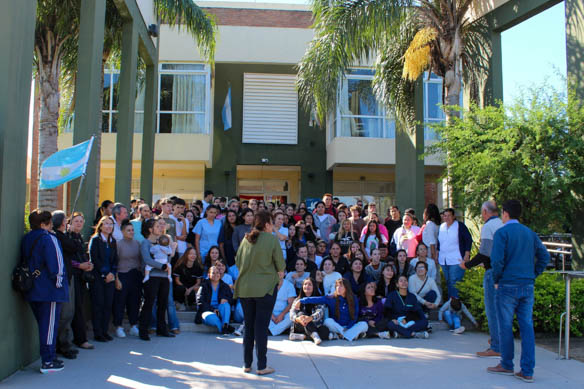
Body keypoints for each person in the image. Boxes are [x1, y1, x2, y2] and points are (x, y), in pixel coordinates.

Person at [487, 200, 550, 382]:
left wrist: (497, 279)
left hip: (507, 285)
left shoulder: (502, 233)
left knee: (505, 326)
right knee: (527, 327)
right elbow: (544, 256)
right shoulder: (530, 233)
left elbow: (497, 261)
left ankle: (507, 364)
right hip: (527, 285)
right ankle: (527, 370)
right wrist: (533, 274)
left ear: (505, 213)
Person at [234, 211, 285, 375]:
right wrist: (279, 277)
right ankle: (262, 366)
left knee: (248, 326)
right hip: (265, 289)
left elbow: (237, 261)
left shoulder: (245, 239)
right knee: (261, 328)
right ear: (267, 224)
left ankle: (246, 364)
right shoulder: (271, 239)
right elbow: (280, 264)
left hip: (245, 288)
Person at [22, 209, 69, 373]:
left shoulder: (27, 238)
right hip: (49, 290)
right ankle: (48, 361)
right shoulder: (49, 238)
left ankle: (49, 357)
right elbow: (57, 265)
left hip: (32, 288)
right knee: (49, 327)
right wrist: (59, 283)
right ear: (44, 224)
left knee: (44, 325)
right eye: (49, 223)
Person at [461, 200, 504, 358]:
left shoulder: (488, 226)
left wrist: (467, 265)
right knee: (501, 310)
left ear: (485, 212)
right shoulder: (503, 224)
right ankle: (500, 340)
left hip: (492, 272)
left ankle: (496, 346)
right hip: (504, 272)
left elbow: (484, 253)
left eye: (481, 212)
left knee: (492, 309)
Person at [139, 218, 177, 341]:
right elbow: (147, 259)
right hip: (152, 277)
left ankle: (162, 329)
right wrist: (162, 266)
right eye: (157, 226)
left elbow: (167, 259)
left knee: (163, 303)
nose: (161, 228)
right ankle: (143, 330)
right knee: (149, 303)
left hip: (164, 277)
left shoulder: (163, 242)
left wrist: (170, 252)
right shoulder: (145, 243)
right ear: (150, 229)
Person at [299, 278, 368, 341]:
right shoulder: (332, 298)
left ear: (346, 288)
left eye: (341, 286)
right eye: (337, 286)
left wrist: (348, 327)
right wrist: (301, 300)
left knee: (364, 324)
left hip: (350, 327)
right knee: (327, 321)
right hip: (337, 327)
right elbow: (318, 299)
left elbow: (355, 316)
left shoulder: (353, 299)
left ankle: (342, 335)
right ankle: (350, 335)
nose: (338, 288)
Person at [51, 211, 78, 360]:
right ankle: (62, 345)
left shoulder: (61, 236)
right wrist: (71, 234)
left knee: (68, 313)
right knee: (65, 314)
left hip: (68, 276)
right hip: (63, 279)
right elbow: (75, 247)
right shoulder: (58, 237)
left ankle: (65, 343)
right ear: (62, 223)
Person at [88, 216, 119, 342]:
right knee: (98, 305)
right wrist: (105, 274)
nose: (108, 226)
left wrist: (112, 273)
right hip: (98, 278)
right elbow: (95, 259)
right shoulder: (95, 240)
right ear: (100, 226)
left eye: (111, 224)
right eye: (106, 224)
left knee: (107, 305)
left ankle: (105, 331)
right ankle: (98, 332)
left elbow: (115, 260)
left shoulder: (113, 241)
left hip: (110, 278)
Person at [67, 212, 94, 351]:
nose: (79, 223)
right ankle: (80, 339)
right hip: (73, 276)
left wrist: (88, 264)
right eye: (76, 221)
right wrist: (79, 265)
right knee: (76, 308)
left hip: (82, 276)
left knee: (80, 307)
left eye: (81, 221)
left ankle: (80, 338)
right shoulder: (67, 237)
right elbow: (67, 259)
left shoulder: (79, 237)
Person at [113, 221, 143, 338]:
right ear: (122, 232)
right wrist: (116, 278)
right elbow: (114, 262)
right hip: (122, 275)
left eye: (132, 230)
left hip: (135, 275)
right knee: (120, 302)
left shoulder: (137, 243)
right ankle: (118, 326)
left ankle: (133, 325)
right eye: (128, 230)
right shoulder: (118, 244)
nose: (131, 232)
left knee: (134, 301)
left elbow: (140, 260)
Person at [437, 208, 472, 299]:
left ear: (453, 216)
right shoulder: (441, 227)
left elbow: (468, 239)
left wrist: (467, 253)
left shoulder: (460, 226)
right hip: (444, 260)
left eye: (449, 215)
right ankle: (450, 305)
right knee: (449, 282)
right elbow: (439, 243)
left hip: (457, 260)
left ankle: (454, 307)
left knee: (454, 283)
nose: (447, 217)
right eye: (445, 216)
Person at [289, 278, 330, 344]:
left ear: (314, 286)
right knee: (301, 314)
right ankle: (315, 335)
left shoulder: (318, 299)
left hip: (314, 324)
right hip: (300, 325)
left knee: (325, 331)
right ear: (302, 287)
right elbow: (292, 312)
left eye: (310, 284)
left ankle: (302, 337)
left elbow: (320, 312)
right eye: (305, 284)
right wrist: (297, 319)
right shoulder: (297, 300)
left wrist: (310, 318)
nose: (307, 286)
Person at [196, 266, 234, 334]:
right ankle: (224, 329)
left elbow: (232, 299)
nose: (216, 275)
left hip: (220, 311)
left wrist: (226, 299)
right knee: (212, 317)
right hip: (208, 311)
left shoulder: (225, 286)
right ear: (208, 275)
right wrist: (212, 309)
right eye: (213, 273)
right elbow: (200, 301)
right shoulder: (204, 285)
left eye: (217, 273)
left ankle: (225, 325)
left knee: (226, 305)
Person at [219, 209, 239, 277]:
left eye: (233, 215)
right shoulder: (224, 228)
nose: (231, 217)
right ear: (227, 218)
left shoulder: (240, 227)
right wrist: (224, 258)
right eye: (229, 216)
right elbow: (221, 244)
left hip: (240, 258)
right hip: (229, 257)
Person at [420, 204, 440, 268]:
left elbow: (432, 241)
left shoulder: (429, 224)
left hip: (430, 250)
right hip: (436, 248)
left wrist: (433, 255)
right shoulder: (437, 224)